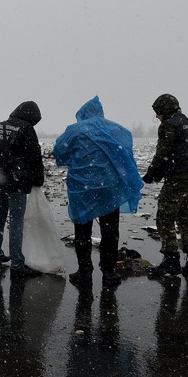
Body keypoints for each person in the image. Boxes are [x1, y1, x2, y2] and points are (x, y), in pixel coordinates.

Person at [53, 96, 144, 288]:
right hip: (109, 189)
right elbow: (126, 152)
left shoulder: (75, 130)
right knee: (110, 230)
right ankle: (109, 272)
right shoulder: (117, 130)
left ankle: (85, 272)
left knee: (82, 231)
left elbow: (60, 152)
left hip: (83, 189)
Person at [142, 94, 188, 279]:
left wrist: (151, 175)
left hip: (178, 177)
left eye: (158, 114)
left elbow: (163, 153)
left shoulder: (169, 125)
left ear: (165, 110)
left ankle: (171, 261)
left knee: (165, 218)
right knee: (187, 218)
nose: (158, 118)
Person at [0, 101, 44, 277]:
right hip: (17, 182)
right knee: (16, 221)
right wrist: (38, 179)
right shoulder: (26, 129)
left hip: (0, 180)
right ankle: (17, 263)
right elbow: (34, 157)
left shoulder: (1, 126)